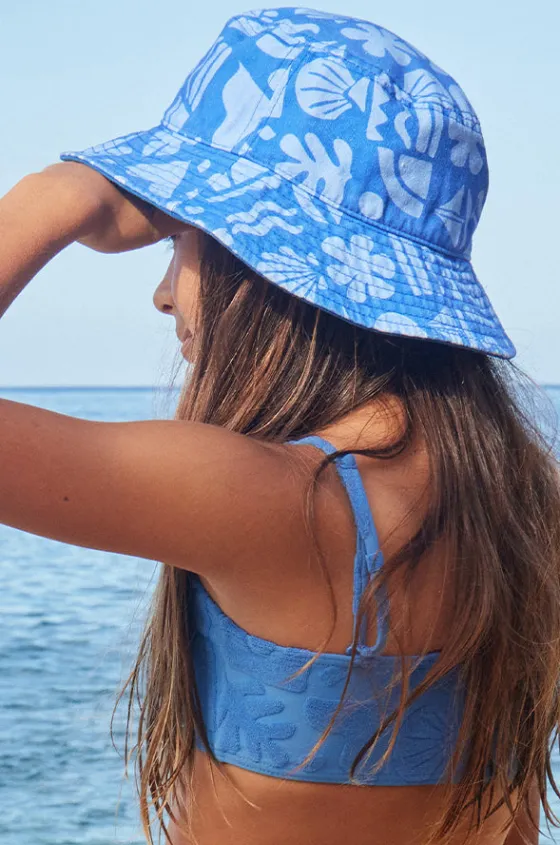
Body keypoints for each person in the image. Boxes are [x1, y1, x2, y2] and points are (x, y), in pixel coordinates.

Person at [1, 7, 558, 845]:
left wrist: (60, 194)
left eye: (181, 241)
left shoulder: (268, 499)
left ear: (262, 265)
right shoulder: (525, 504)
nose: (163, 293)